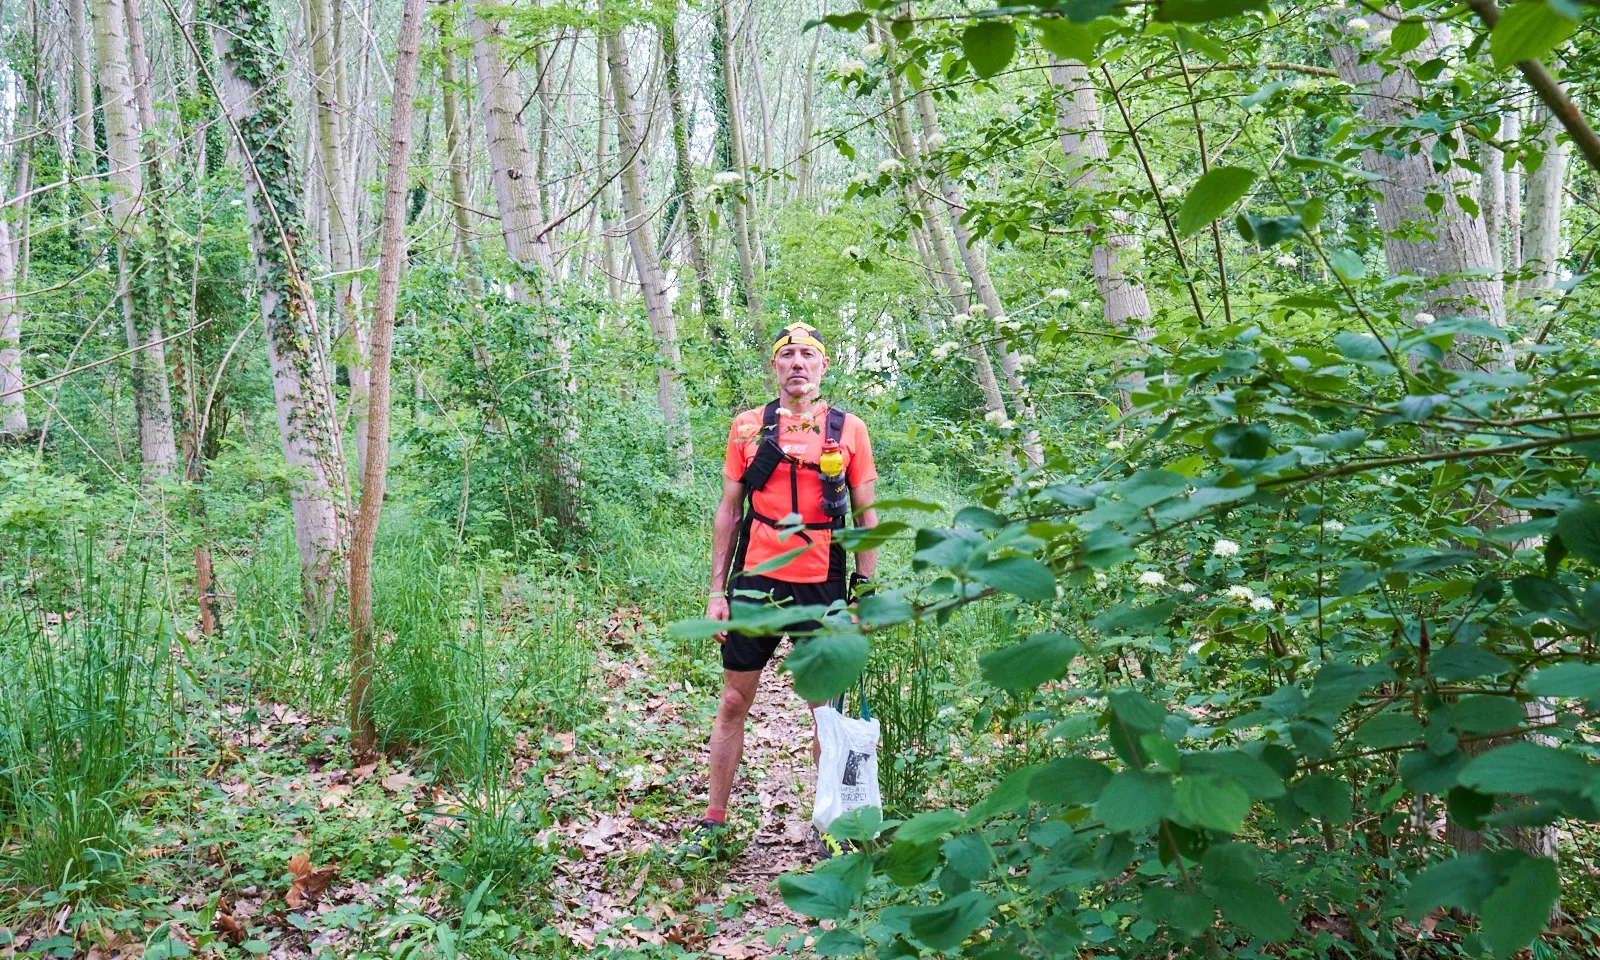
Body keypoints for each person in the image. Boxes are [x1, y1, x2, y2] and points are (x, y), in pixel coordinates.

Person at [684, 322, 878, 857]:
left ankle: (831, 825)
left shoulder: (849, 429)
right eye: (787, 355)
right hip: (755, 581)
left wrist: (865, 587)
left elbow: (866, 512)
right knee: (731, 701)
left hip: (823, 582)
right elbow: (729, 509)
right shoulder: (747, 427)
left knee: (825, 710)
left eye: (807, 355)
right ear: (775, 366)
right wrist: (716, 589)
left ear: (823, 366)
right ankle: (714, 822)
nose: (797, 363)